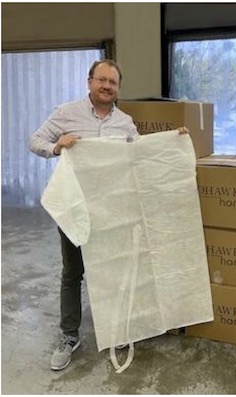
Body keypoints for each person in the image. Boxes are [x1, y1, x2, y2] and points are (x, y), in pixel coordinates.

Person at [29, 59, 188, 371]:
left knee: (114, 270)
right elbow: (34, 142)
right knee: (73, 272)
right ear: (89, 81)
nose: (106, 86)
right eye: (101, 80)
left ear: (118, 88)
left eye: (112, 82)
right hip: (76, 206)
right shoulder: (66, 113)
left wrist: (175, 141)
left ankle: (117, 330)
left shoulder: (125, 123)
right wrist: (57, 146)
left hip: (113, 209)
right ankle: (69, 336)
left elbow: (141, 155)